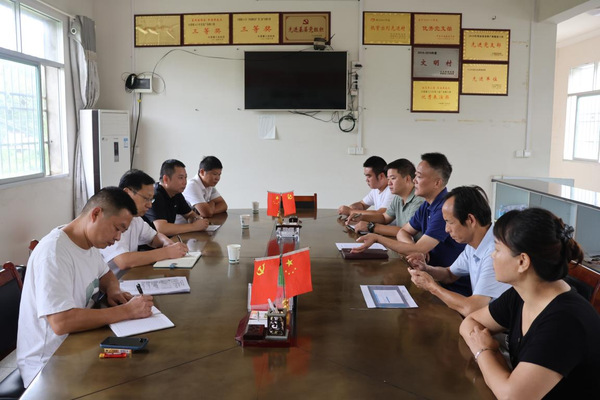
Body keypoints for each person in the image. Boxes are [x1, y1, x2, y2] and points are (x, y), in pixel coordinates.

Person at [17, 187, 155, 388]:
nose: (118, 238)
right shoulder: (54, 253)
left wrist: (114, 289)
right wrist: (126, 311)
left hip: (78, 344)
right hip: (48, 364)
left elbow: (105, 274)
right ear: (96, 214)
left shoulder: (87, 243)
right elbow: (61, 322)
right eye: (117, 228)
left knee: (141, 370)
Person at [460, 207, 600, 399]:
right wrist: (496, 365)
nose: (492, 255)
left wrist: (483, 350)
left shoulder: (564, 322)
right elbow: (469, 322)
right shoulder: (522, 294)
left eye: (497, 249)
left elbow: (512, 397)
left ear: (522, 262)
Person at [354, 152, 470, 295]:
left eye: (419, 177)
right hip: (430, 276)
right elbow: (403, 231)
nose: (414, 180)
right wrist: (413, 249)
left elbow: (420, 248)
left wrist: (377, 238)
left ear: (437, 183)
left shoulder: (444, 208)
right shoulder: (427, 205)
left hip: (452, 287)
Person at [408, 186, 511, 317]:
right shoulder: (473, 244)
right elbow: (449, 274)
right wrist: (426, 269)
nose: (446, 229)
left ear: (470, 220)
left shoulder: (495, 252)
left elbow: (472, 308)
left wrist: (432, 286)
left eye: (450, 222)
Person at [100, 169, 189, 278]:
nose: (150, 205)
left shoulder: (136, 219)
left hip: (130, 278)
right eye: (146, 199)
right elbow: (123, 261)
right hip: (113, 283)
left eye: (151, 200)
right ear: (127, 193)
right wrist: (167, 252)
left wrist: (167, 243)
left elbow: (154, 237)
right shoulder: (111, 218)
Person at [349, 158, 424, 237]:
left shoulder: (419, 201)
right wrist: (361, 217)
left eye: (393, 178)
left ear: (407, 179)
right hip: (402, 242)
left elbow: (406, 231)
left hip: (414, 244)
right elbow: (385, 218)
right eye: (388, 179)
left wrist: (371, 227)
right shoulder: (398, 197)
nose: (389, 183)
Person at [143, 159, 209, 236]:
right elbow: (162, 229)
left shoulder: (176, 193)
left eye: (185, 177)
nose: (185, 182)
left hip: (167, 240)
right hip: (150, 242)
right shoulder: (155, 195)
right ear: (166, 179)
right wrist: (194, 226)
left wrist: (196, 219)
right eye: (181, 178)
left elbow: (190, 214)